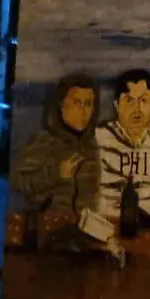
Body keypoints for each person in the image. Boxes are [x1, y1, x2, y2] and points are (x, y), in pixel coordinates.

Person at [10, 73, 102, 214]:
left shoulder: (93, 146)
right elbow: (19, 182)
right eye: (76, 102)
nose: (82, 111)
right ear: (62, 105)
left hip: (88, 224)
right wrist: (55, 174)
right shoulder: (45, 142)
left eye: (88, 104)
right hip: (51, 222)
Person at [95, 69, 150, 218]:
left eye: (143, 100)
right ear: (117, 105)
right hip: (106, 224)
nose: (137, 109)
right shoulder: (98, 139)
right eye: (129, 100)